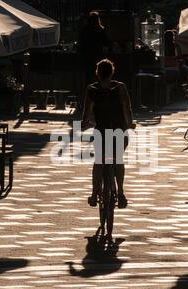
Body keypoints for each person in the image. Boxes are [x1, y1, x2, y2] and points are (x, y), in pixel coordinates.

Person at [82, 59, 135, 214]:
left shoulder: (92, 89)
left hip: (101, 131)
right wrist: (130, 123)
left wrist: (84, 123)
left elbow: (86, 110)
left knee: (99, 160)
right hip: (119, 130)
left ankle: (93, 194)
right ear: (112, 72)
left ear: (97, 73)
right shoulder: (120, 87)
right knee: (118, 159)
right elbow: (127, 108)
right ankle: (120, 192)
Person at [78, 11, 111, 88]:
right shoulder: (100, 29)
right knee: (98, 76)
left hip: (87, 57)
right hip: (98, 56)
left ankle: (89, 93)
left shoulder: (84, 30)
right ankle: (99, 92)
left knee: (88, 78)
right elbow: (107, 42)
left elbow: (80, 44)